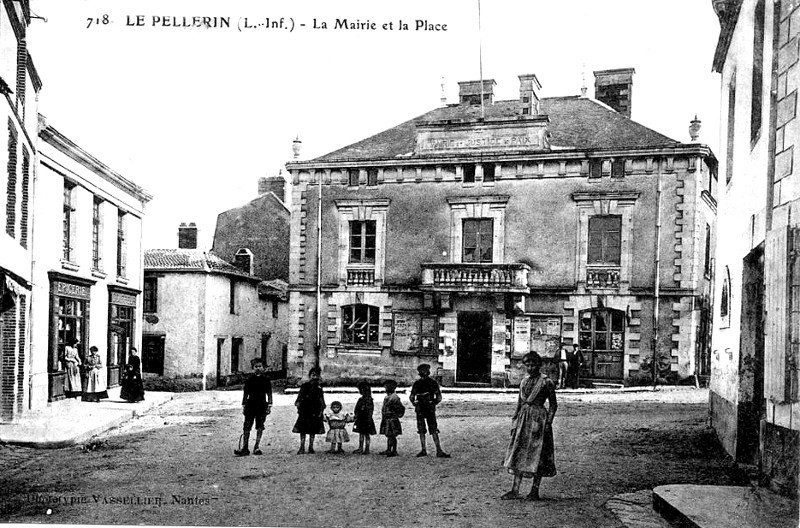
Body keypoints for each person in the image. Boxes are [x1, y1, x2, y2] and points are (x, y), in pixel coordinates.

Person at [502, 352, 557, 501]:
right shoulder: (523, 381)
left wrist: (548, 423)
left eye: (533, 365)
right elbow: (519, 404)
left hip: (539, 420)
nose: (530, 368)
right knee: (519, 451)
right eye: (528, 365)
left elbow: (553, 405)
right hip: (523, 420)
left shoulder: (546, 382)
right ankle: (515, 489)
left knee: (538, 454)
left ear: (539, 365)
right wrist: (515, 422)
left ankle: (535, 490)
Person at [409, 363, 450, 458]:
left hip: (420, 408)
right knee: (433, 429)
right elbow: (439, 397)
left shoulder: (417, 383)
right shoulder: (433, 383)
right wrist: (433, 403)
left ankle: (424, 450)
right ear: (428, 372)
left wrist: (415, 404)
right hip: (429, 408)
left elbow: (411, 397)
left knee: (421, 429)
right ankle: (438, 450)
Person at [234, 357, 273, 456]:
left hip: (261, 406)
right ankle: (245, 448)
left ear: (263, 368)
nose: (258, 368)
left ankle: (257, 447)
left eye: (260, 366)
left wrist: (269, 405)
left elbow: (269, 393)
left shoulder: (266, 380)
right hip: (250, 406)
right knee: (247, 426)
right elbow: (245, 394)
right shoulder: (249, 380)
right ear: (253, 368)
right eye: (256, 366)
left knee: (260, 426)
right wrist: (244, 406)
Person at [292, 366, 325, 454]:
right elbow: (300, 397)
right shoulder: (304, 386)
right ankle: (302, 446)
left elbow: (321, 399)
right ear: (310, 376)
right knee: (303, 429)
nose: (314, 377)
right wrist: (298, 406)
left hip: (315, 411)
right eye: (313, 375)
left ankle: (311, 446)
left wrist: (321, 410)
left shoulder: (319, 387)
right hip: (305, 410)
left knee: (312, 430)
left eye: (316, 375)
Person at [379, 379, 405, 457]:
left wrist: (395, 415)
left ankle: (394, 450)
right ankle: (389, 449)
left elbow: (400, 408)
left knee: (392, 435)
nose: (386, 388)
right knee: (389, 435)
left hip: (392, 419)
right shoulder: (388, 396)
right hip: (387, 419)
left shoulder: (394, 397)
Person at [352, 381, 376, 454]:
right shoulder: (368, 400)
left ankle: (363, 448)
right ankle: (365, 448)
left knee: (363, 434)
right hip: (364, 419)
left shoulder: (364, 400)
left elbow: (359, 409)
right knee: (365, 435)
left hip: (364, 419)